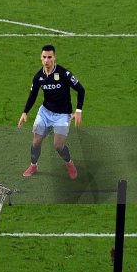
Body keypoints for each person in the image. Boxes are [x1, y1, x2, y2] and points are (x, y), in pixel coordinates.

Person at [18, 45, 84, 179]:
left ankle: (69, 163)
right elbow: (33, 95)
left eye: (49, 57)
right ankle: (33, 165)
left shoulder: (64, 74)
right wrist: (25, 112)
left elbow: (81, 89)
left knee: (58, 145)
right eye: (44, 57)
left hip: (63, 115)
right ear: (41, 58)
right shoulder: (38, 77)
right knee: (36, 142)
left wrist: (78, 111)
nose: (46, 60)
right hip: (45, 112)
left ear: (54, 57)